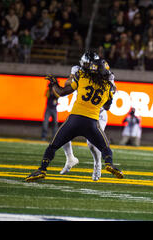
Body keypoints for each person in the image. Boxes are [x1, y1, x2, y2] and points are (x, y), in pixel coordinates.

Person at [25, 51, 123, 182]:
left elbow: (62, 92)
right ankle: (109, 164)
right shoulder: (108, 86)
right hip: (92, 122)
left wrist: (54, 83)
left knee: (53, 146)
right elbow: (107, 106)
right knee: (106, 148)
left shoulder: (81, 76)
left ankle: (42, 169)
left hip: (74, 120)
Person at [59, 60, 116, 181]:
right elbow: (68, 84)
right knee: (64, 134)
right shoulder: (80, 72)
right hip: (82, 111)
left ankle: (97, 164)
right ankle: (70, 158)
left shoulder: (108, 77)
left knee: (91, 143)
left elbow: (111, 94)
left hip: (97, 114)